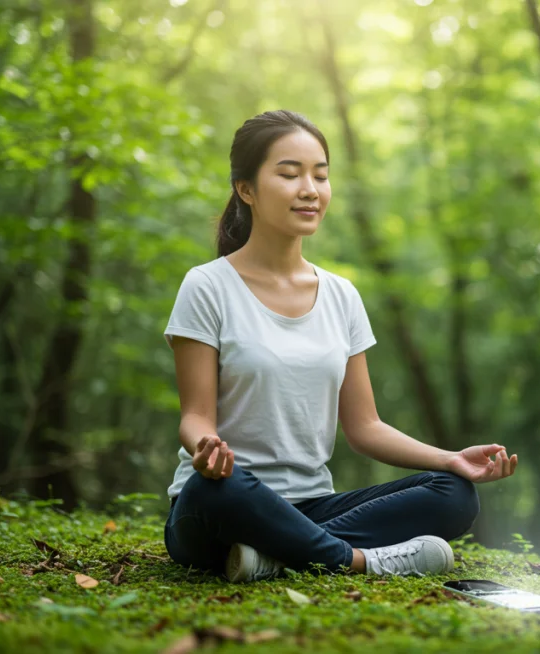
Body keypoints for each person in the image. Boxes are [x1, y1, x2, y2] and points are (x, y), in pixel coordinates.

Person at [161, 110, 519, 583]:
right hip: (224, 500)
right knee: (214, 493)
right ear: (246, 190)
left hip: (313, 502)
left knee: (452, 493)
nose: (310, 189)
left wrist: (449, 459)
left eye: (321, 175)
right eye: (289, 174)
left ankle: (274, 553)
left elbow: (365, 427)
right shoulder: (207, 286)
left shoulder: (341, 295)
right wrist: (205, 447)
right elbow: (195, 416)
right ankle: (359, 560)